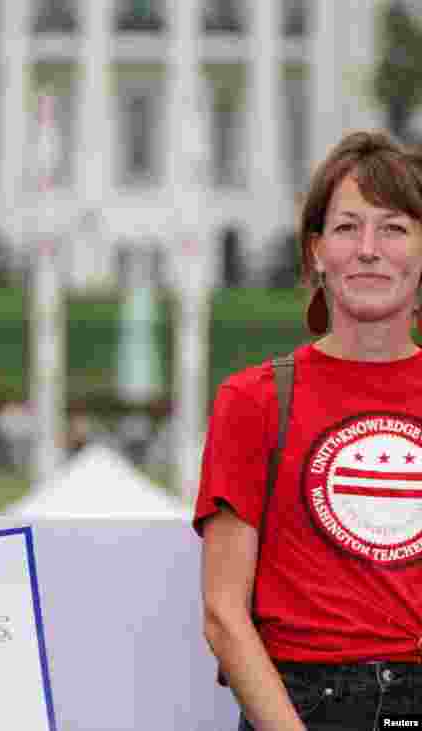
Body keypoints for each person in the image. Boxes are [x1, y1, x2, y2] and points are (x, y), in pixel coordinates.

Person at [196, 131, 422, 730]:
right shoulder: (253, 400)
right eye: (347, 228)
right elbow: (223, 613)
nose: (369, 249)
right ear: (317, 251)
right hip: (301, 706)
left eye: (394, 228)